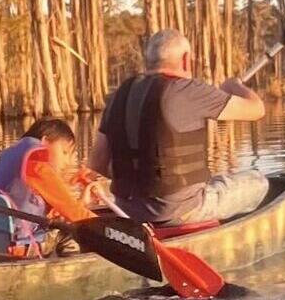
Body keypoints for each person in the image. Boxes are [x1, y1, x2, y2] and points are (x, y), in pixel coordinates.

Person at [87, 28, 269, 227]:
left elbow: (97, 163)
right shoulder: (189, 90)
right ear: (185, 59)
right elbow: (257, 109)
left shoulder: (119, 94)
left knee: (216, 180)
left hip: (127, 210)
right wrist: (234, 85)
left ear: (149, 60)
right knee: (259, 181)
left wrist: (138, 180)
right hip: (181, 211)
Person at [0, 118, 78, 256]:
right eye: (64, 152)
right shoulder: (38, 165)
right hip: (17, 247)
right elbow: (76, 214)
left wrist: (83, 200)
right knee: (69, 232)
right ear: (45, 142)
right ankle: (71, 274)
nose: (67, 162)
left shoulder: (9, 155)